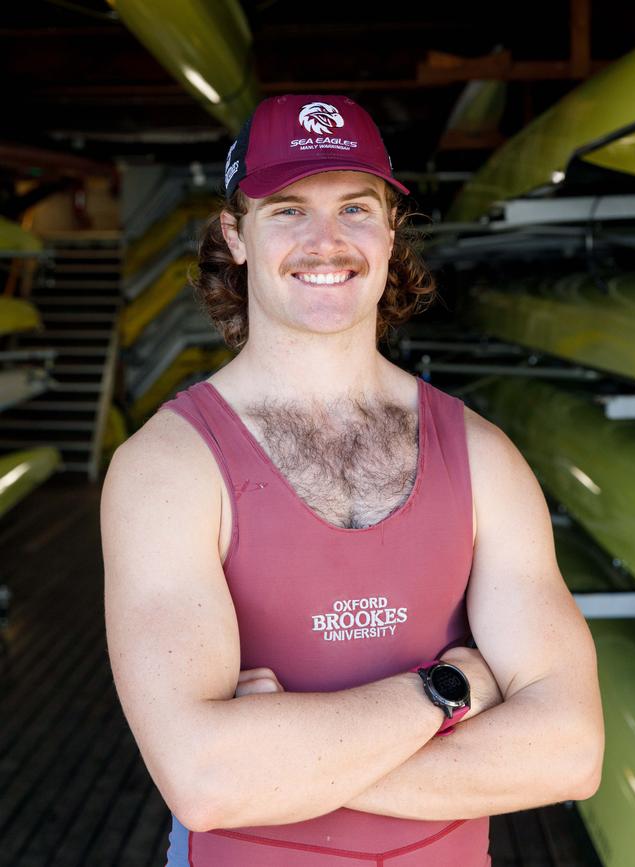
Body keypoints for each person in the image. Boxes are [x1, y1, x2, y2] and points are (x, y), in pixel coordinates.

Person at [101, 95, 604, 867]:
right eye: (289, 209)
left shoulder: (483, 456)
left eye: (356, 208)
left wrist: (290, 760)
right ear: (236, 236)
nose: (326, 241)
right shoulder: (166, 468)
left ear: (391, 229)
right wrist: (447, 691)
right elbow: (204, 780)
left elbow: (569, 750)